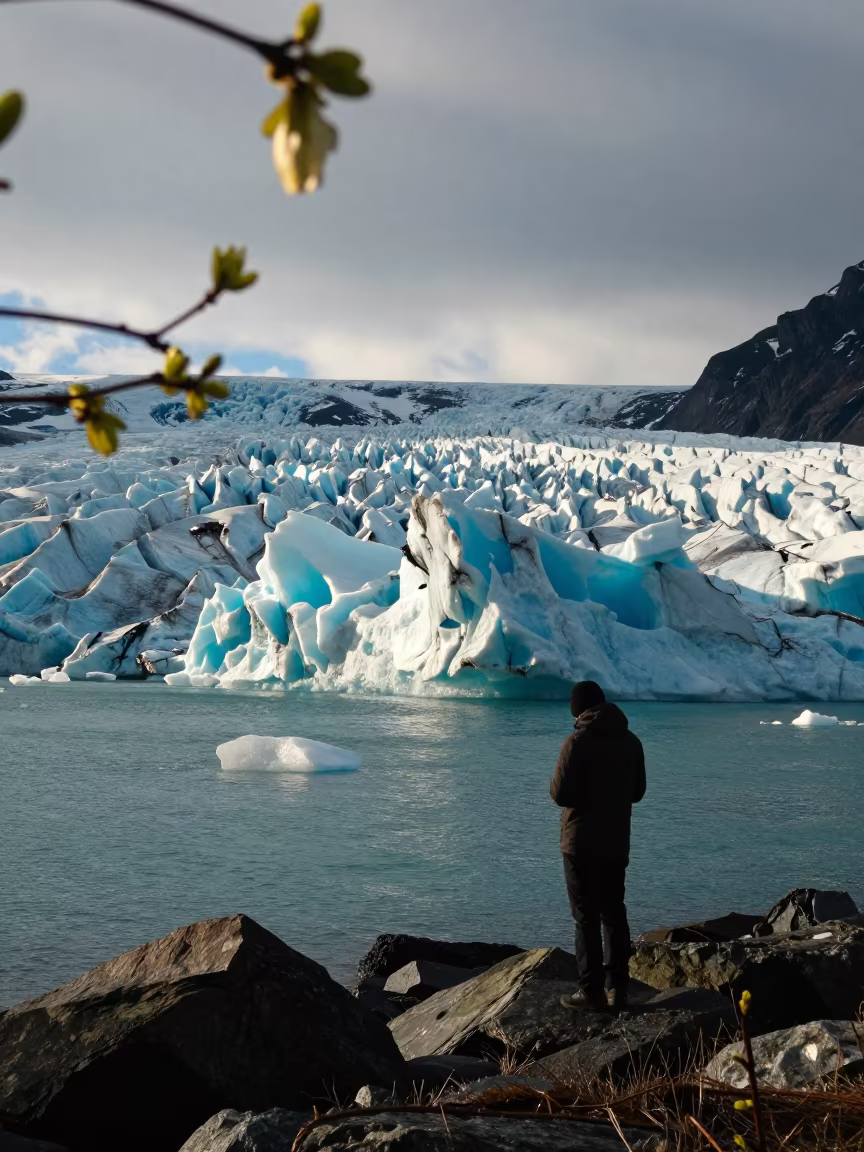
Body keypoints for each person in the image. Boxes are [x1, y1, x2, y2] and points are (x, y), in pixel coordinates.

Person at [550, 680, 646, 1011]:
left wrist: (587, 798)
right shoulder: (631, 741)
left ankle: (589, 991)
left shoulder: (576, 742)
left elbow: (559, 794)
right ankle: (618, 989)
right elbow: (638, 792)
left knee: (585, 917)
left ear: (578, 709)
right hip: (616, 840)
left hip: (579, 842)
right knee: (614, 913)